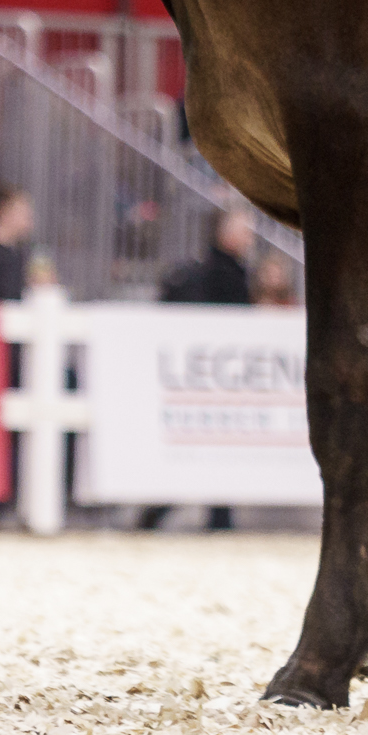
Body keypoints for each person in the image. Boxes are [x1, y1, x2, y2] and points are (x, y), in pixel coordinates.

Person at [142, 208, 260, 533]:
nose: (250, 236)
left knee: (209, 444)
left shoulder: (212, 270)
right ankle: (210, 516)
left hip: (208, 372)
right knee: (211, 443)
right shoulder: (223, 274)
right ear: (225, 233)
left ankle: (203, 513)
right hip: (210, 373)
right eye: (244, 229)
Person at [162, 207, 258, 306]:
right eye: (246, 233)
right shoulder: (222, 277)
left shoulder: (235, 272)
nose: (250, 241)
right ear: (226, 233)